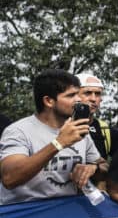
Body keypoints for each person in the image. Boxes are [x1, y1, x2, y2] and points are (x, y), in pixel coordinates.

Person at [0, 69, 103, 205]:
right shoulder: (18, 131)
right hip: (25, 217)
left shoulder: (78, 129)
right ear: (49, 101)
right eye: (71, 95)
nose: (79, 99)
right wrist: (59, 143)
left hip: (64, 213)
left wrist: (93, 168)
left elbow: (103, 165)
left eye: (78, 94)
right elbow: (9, 178)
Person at [75, 73, 118, 183]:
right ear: (74, 95)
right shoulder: (57, 128)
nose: (93, 99)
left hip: (94, 196)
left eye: (97, 94)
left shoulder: (108, 132)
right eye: (87, 93)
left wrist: (96, 169)